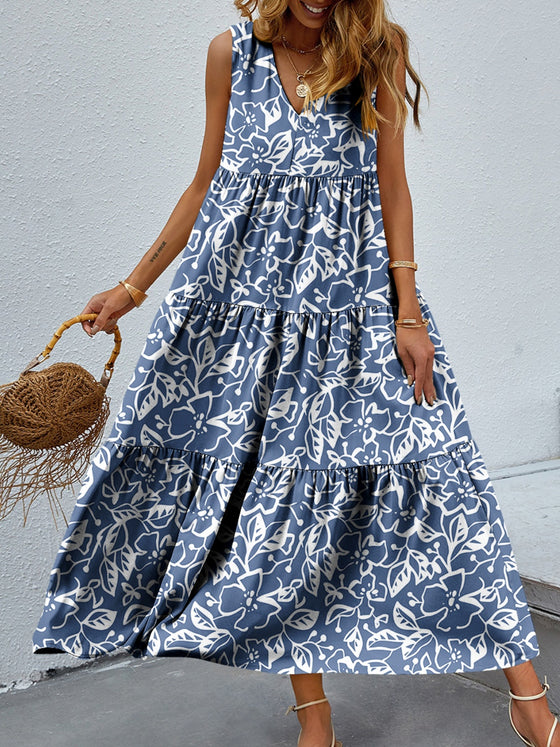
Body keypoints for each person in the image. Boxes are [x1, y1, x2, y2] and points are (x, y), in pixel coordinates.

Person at [32, 1, 558, 746]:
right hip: (247, 315)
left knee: (448, 487)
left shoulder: (377, 51)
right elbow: (203, 184)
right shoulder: (230, 55)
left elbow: (393, 188)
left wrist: (408, 312)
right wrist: (132, 288)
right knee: (275, 512)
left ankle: (530, 701)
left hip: (354, 309)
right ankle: (316, 721)